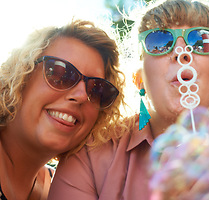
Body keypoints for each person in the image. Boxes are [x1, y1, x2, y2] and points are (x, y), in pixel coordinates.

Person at [48, 0, 209, 199]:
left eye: (201, 41)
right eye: (158, 41)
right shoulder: (91, 155)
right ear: (139, 79)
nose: (181, 52)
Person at [0, 19, 125, 200]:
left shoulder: (69, 190)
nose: (82, 95)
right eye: (60, 73)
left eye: (97, 89)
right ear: (20, 75)